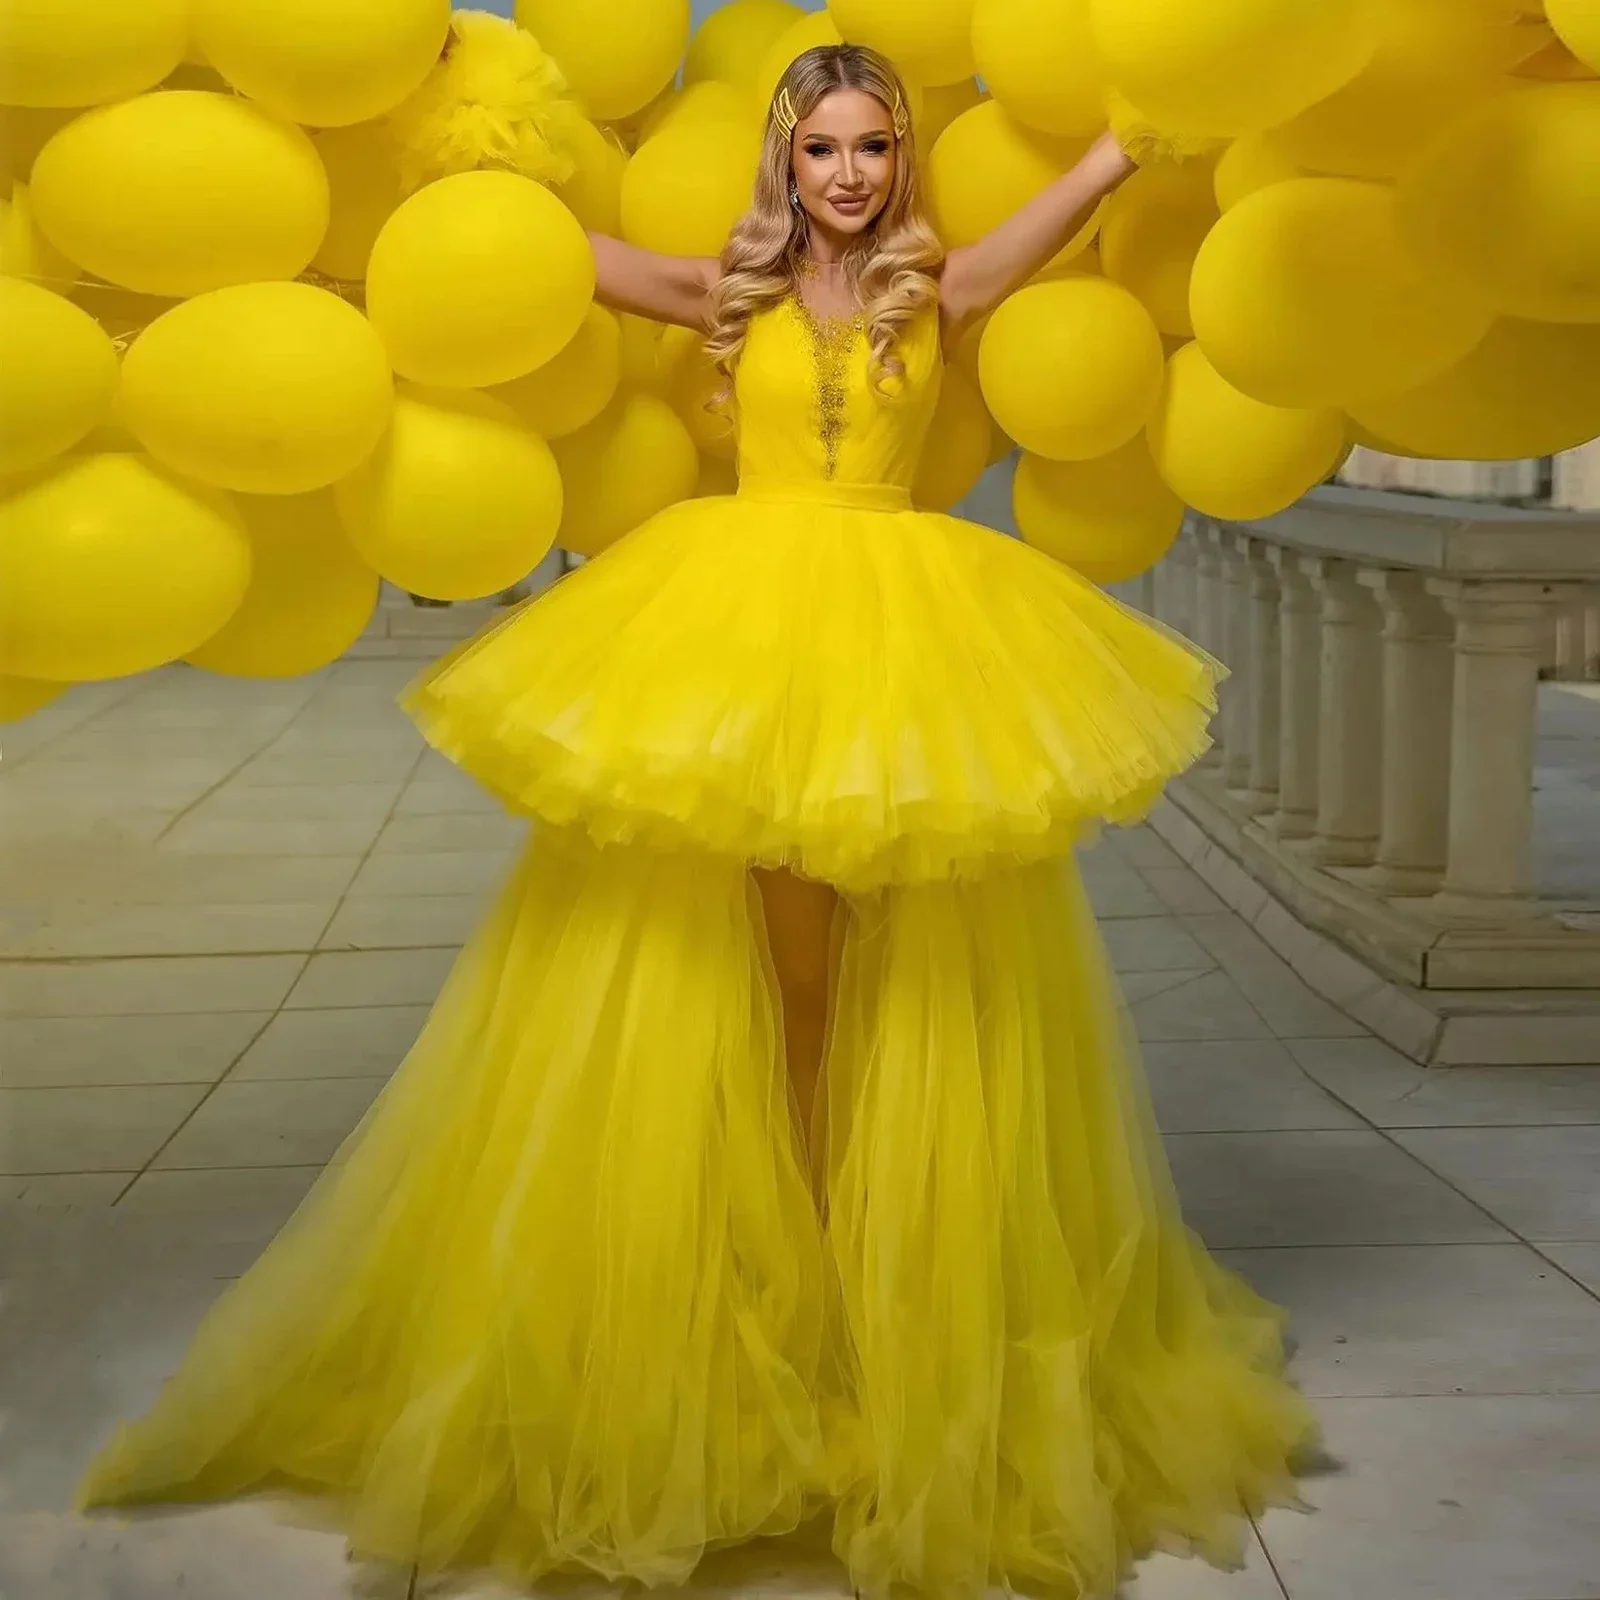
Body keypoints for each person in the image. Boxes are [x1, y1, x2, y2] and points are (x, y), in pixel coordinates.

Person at [81, 45, 1314, 1600]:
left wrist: (1142, 136)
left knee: (918, 955)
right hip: (738, 621)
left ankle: (875, 1283)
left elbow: (1046, 230)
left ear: (898, 160)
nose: (850, 175)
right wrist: (458, 155)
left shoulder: (931, 283)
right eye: (822, 151)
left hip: (897, 622)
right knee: (760, 953)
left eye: (874, 148)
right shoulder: (720, 288)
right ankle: (773, 1274)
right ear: (783, 166)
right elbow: (549, 253)